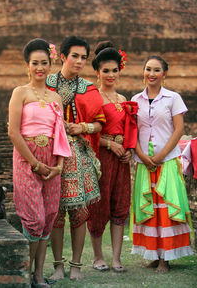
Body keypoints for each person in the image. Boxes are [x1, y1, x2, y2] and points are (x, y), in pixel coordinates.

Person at [8, 38, 71, 288]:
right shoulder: (20, 93)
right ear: (27, 65)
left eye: (44, 63)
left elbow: (61, 134)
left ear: (50, 64)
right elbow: (13, 132)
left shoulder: (56, 97)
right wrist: (35, 164)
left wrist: (59, 166)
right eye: (35, 63)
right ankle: (24, 275)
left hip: (52, 163)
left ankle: (37, 275)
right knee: (34, 218)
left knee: (48, 217)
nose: (40, 68)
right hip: (27, 159)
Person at [46, 36, 106, 280]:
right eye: (75, 56)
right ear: (62, 57)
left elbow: (99, 124)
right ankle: (58, 266)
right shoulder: (46, 83)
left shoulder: (88, 88)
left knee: (79, 211)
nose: (80, 61)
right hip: (51, 155)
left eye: (84, 57)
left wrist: (82, 128)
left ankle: (76, 266)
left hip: (78, 155)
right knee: (56, 212)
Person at [130, 55, 193, 272]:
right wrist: (142, 156)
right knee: (149, 209)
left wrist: (159, 157)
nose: (152, 74)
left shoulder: (172, 98)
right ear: (143, 72)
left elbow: (179, 130)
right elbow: (133, 132)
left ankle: (165, 258)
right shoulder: (135, 99)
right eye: (148, 69)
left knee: (166, 209)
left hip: (166, 162)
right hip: (143, 163)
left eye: (157, 70)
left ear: (164, 74)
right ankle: (153, 255)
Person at [87, 41, 138, 272]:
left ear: (120, 70)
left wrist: (127, 149)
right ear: (97, 72)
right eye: (105, 70)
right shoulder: (93, 97)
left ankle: (117, 258)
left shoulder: (122, 99)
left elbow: (129, 130)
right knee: (99, 207)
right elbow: (86, 132)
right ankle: (98, 257)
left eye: (114, 70)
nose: (110, 75)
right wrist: (109, 144)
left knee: (120, 206)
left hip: (121, 160)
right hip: (100, 160)